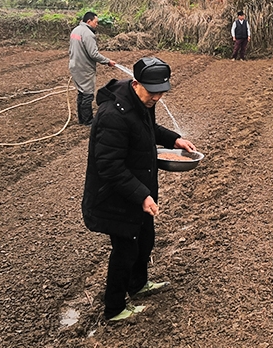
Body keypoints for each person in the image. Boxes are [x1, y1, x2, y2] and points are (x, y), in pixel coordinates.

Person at [82, 57, 198, 321]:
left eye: (161, 93)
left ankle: (137, 285)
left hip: (137, 190)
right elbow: (109, 166)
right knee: (125, 251)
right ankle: (114, 309)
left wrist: (175, 140)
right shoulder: (113, 115)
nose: (157, 98)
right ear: (136, 84)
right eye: (153, 93)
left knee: (145, 240)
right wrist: (142, 195)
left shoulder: (141, 101)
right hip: (115, 198)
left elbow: (148, 129)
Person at [69, 12, 116, 125]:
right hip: (84, 68)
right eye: (96, 22)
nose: (97, 24)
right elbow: (93, 54)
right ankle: (88, 120)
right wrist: (107, 61)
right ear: (89, 21)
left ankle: (81, 119)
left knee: (81, 92)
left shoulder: (75, 30)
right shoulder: (88, 34)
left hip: (75, 65)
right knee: (88, 94)